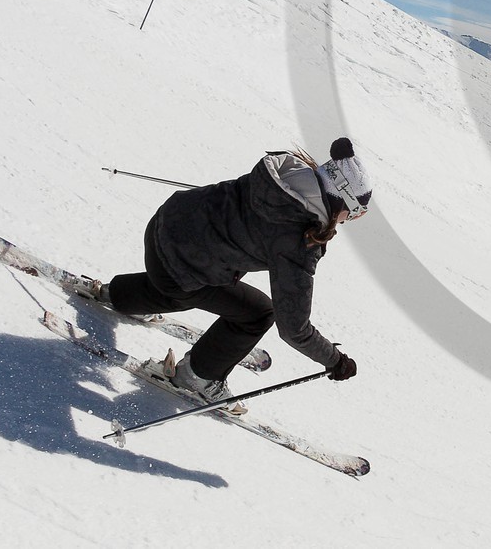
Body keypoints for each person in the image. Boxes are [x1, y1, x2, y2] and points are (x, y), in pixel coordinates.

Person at [100, 137, 372, 405]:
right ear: (341, 200)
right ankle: (197, 377)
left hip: (164, 224)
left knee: (187, 285)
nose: (352, 218)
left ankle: (119, 295)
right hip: (179, 267)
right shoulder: (299, 239)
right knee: (257, 313)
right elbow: (294, 328)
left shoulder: (285, 177)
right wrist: (335, 360)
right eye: (355, 210)